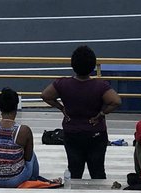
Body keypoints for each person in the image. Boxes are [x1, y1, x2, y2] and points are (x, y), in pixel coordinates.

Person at [41, 45, 121, 180]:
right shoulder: (100, 86)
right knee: (98, 171)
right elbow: (116, 101)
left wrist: (61, 108)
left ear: (73, 65)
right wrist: (101, 114)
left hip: (72, 133)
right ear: (92, 66)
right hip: (96, 134)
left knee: (74, 170)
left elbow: (45, 95)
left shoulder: (62, 84)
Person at [0, 88, 48, 187]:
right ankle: (33, 181)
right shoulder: (24, 130)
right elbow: (28, 158)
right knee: (32, 154)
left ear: (0, 106)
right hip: (15, 180)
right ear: (16, 106)